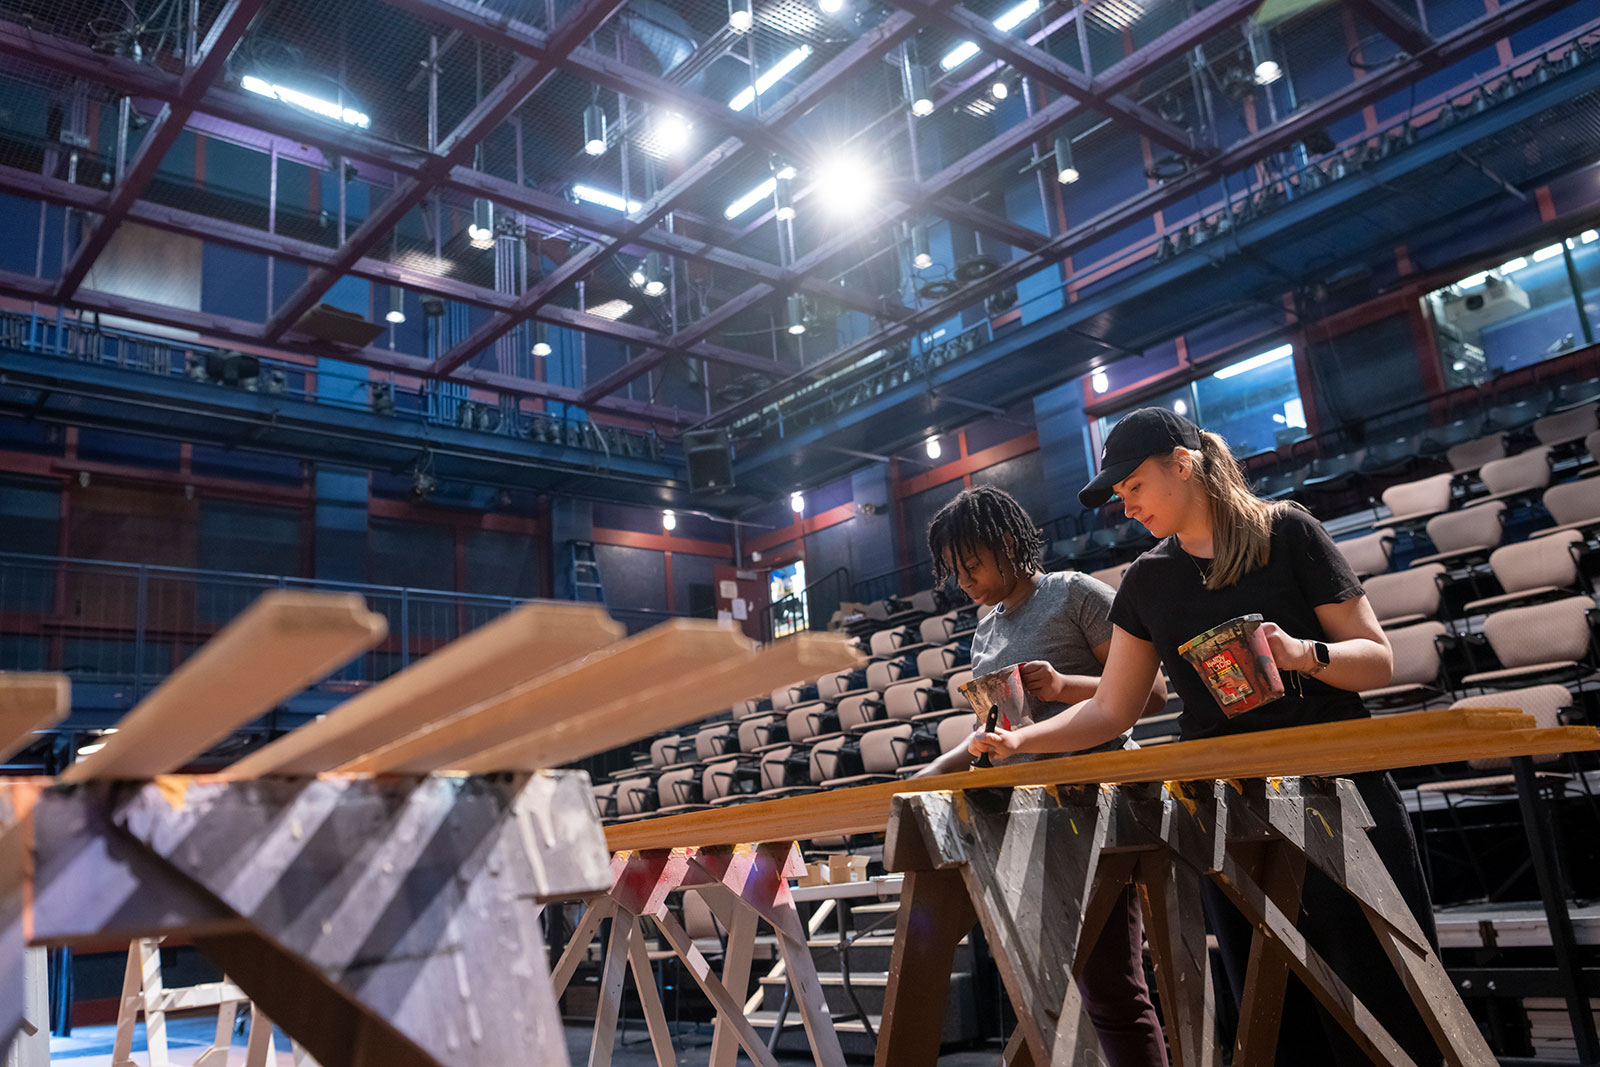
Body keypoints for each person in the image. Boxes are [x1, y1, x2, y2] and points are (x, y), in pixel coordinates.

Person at [968, 408, 1438, 1067]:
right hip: (1232, 814)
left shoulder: (1288, 531)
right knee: (1274, 1021)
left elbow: (1378, 659)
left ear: (1181, 465)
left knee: (1386, 1003)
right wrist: (1021, 743)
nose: (1124, 505)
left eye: (1132, 487)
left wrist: (1304, 654)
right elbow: (1111, 710)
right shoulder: (1146, 580)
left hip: (1339, 793)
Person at [917, 485, 1170, 1067]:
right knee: (1043, 996)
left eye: (972, 565)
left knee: (1112, 990)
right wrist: (926, 775)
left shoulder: (1077, 594)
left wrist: (1062, 685)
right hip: (1023, 817)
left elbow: (1150, 695)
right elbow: (992, 736)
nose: (964, 582)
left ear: (1007, 544)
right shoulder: (985, 630)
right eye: (955, 572)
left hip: (1096, 809)